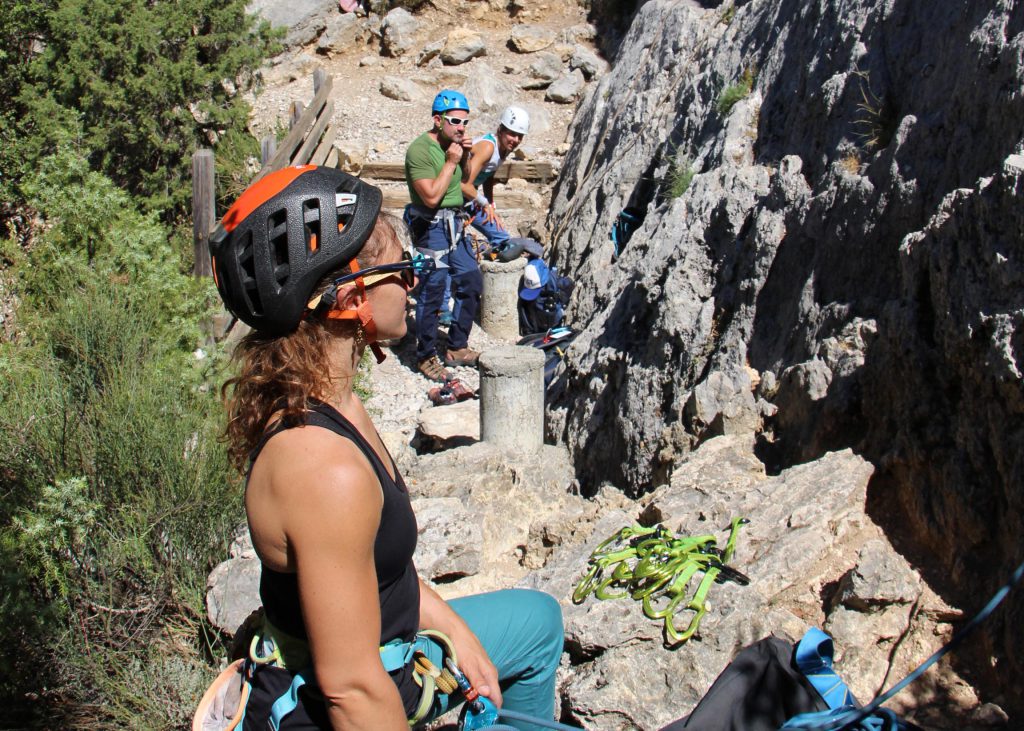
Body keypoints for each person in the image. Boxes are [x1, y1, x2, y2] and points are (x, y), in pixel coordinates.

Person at [209, 165, 564, 730]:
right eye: (405, 268)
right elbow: (351, 690)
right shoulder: (320, 466)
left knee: (538, 621)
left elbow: (380, 569)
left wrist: (454, 628)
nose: (417, 283)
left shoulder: (334, 399)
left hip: (393, 648)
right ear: (349, 295)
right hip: (366, 689)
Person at [404, 89, 482, 382]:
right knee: (432, 290)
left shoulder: (456, 145)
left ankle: (457, 347)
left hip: (455, 226)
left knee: (471, 280)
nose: (461, 127)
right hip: (431, 226)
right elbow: (431, 198)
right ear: (438, 121)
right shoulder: (420, 151)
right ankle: (424, 355)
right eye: (455, 121)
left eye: (465, 121)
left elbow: (465, 179)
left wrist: (465, 156)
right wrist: (450, 161)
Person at [461, 105, 531, 251]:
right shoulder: (488, 148)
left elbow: (488, 175)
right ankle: (472, 249)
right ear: (501, 130)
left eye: (520, 136)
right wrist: (485, 204)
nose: (516, 140)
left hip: (469, 197)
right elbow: (464, 184)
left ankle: (479, 250)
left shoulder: (504, 149)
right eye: (512, 134)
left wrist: (490, 203)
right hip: (456, 195)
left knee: (502, 239)